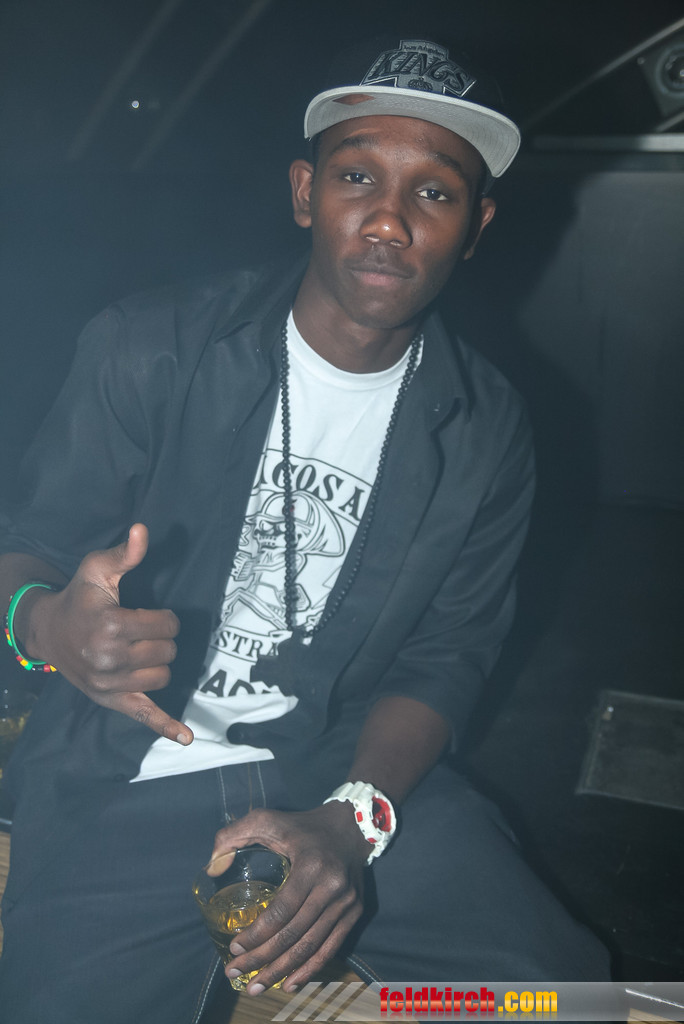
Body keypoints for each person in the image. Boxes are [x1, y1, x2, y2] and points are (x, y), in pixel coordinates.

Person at [0, 36, 610, 1024]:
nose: (388, 219)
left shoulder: (489, 428)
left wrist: (352, 822)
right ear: (303, 193)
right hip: (123, 772)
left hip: (340, 767)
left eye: (435, 192)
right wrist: (47, 628)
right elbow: (25, 549)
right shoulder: (149, 348)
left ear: (477, 227)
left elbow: (446, 658)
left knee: (566, 995)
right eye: (357, 175)